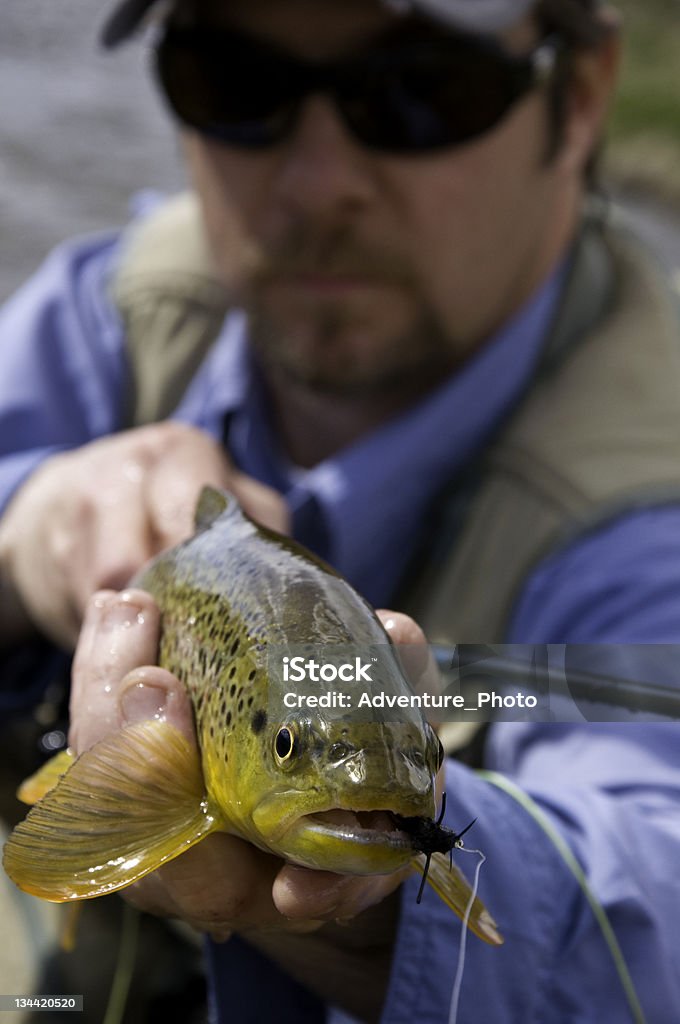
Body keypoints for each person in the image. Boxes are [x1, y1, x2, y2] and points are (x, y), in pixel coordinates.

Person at [2, 0, 680, 1020]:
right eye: (231, 79)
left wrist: (375, 908)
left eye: (416, 92)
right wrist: (23, 532)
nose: (317, 184)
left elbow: (653, 879)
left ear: (578, 96)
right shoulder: (101, 317)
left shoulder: (648, 513)